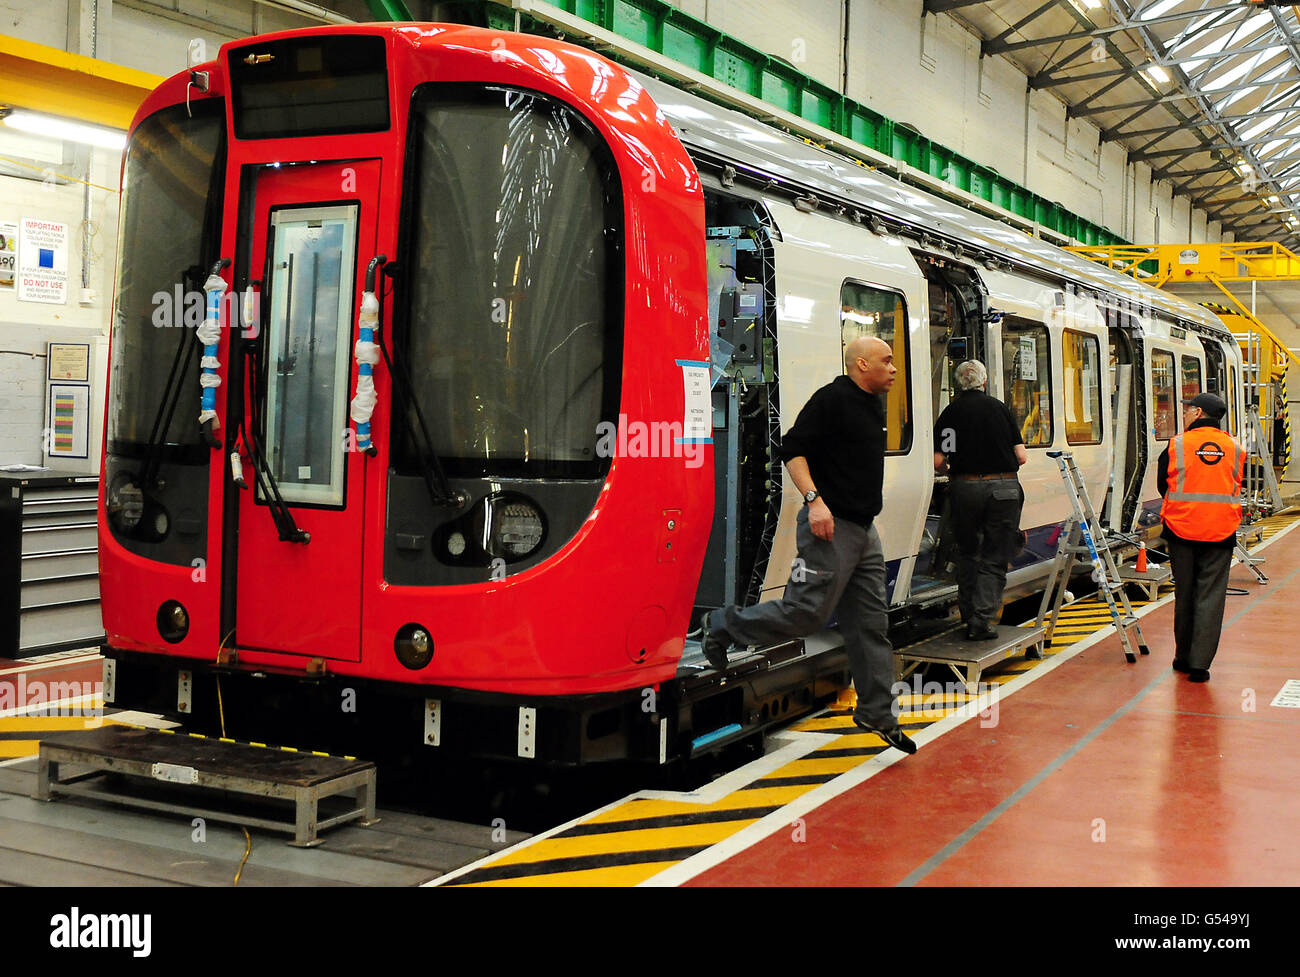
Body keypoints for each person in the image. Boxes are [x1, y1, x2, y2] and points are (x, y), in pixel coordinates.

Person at [699, 335, 916, 755]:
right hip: (829, 528)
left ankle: (877, 712)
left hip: (863, 531)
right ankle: (722, 625)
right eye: (886, 361)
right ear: (860, 365)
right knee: (805, 615)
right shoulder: (832, 399)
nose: (893, 369)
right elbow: (793, 450)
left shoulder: (872, 402)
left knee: (871, 625)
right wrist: (814, 502)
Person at [932, 360, 1028, 640]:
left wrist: (953, 471)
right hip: (1004, 489)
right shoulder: (1000, 409)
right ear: (984, 382)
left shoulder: (950, 413)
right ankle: (982, 621)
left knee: (967, 553)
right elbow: (1021, 456)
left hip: (965, 488)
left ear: (960, 384)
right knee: (995, 556)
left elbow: (939, 461)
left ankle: (968, 615)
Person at [1157, 392, 1245, 682]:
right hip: (1220, 532)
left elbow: (1163, 485)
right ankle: (1200, 664)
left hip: (1182, 530)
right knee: (1211, 595)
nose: (1183, 415)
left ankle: (1182, 657)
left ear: (1197, 413)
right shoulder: (1235, 447)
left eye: (1186, 410)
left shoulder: (1176, 445)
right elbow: (1234, 485)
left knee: (1185, 593)